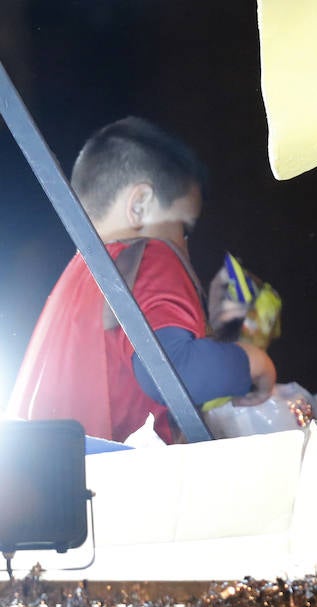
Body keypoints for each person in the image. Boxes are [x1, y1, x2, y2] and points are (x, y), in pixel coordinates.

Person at [7, 116, 275, 444]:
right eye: (184, 229)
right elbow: (172, 368)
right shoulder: (146, 256)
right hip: (109, 485)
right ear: (139, 206)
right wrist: (253, 361)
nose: (185, 248)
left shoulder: (78, 279)